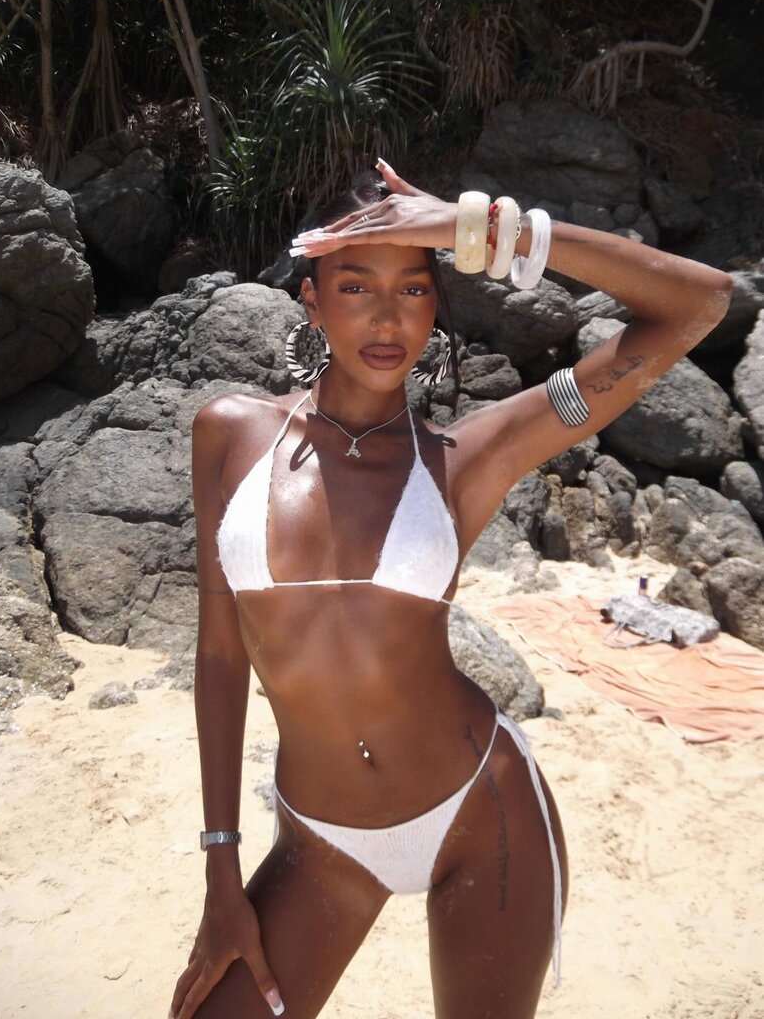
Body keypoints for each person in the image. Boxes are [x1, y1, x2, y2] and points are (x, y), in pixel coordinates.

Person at [168, 160, 732, 1019]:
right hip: (321, 842)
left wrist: (482, 231)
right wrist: (221, 868)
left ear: (437, 302)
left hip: (482, 813)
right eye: (355, 286)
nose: (387, 317)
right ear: (310, 300)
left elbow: (699, 303)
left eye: (414, 287)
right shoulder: (231, 435)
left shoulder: (470, 456)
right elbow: (219, 653)